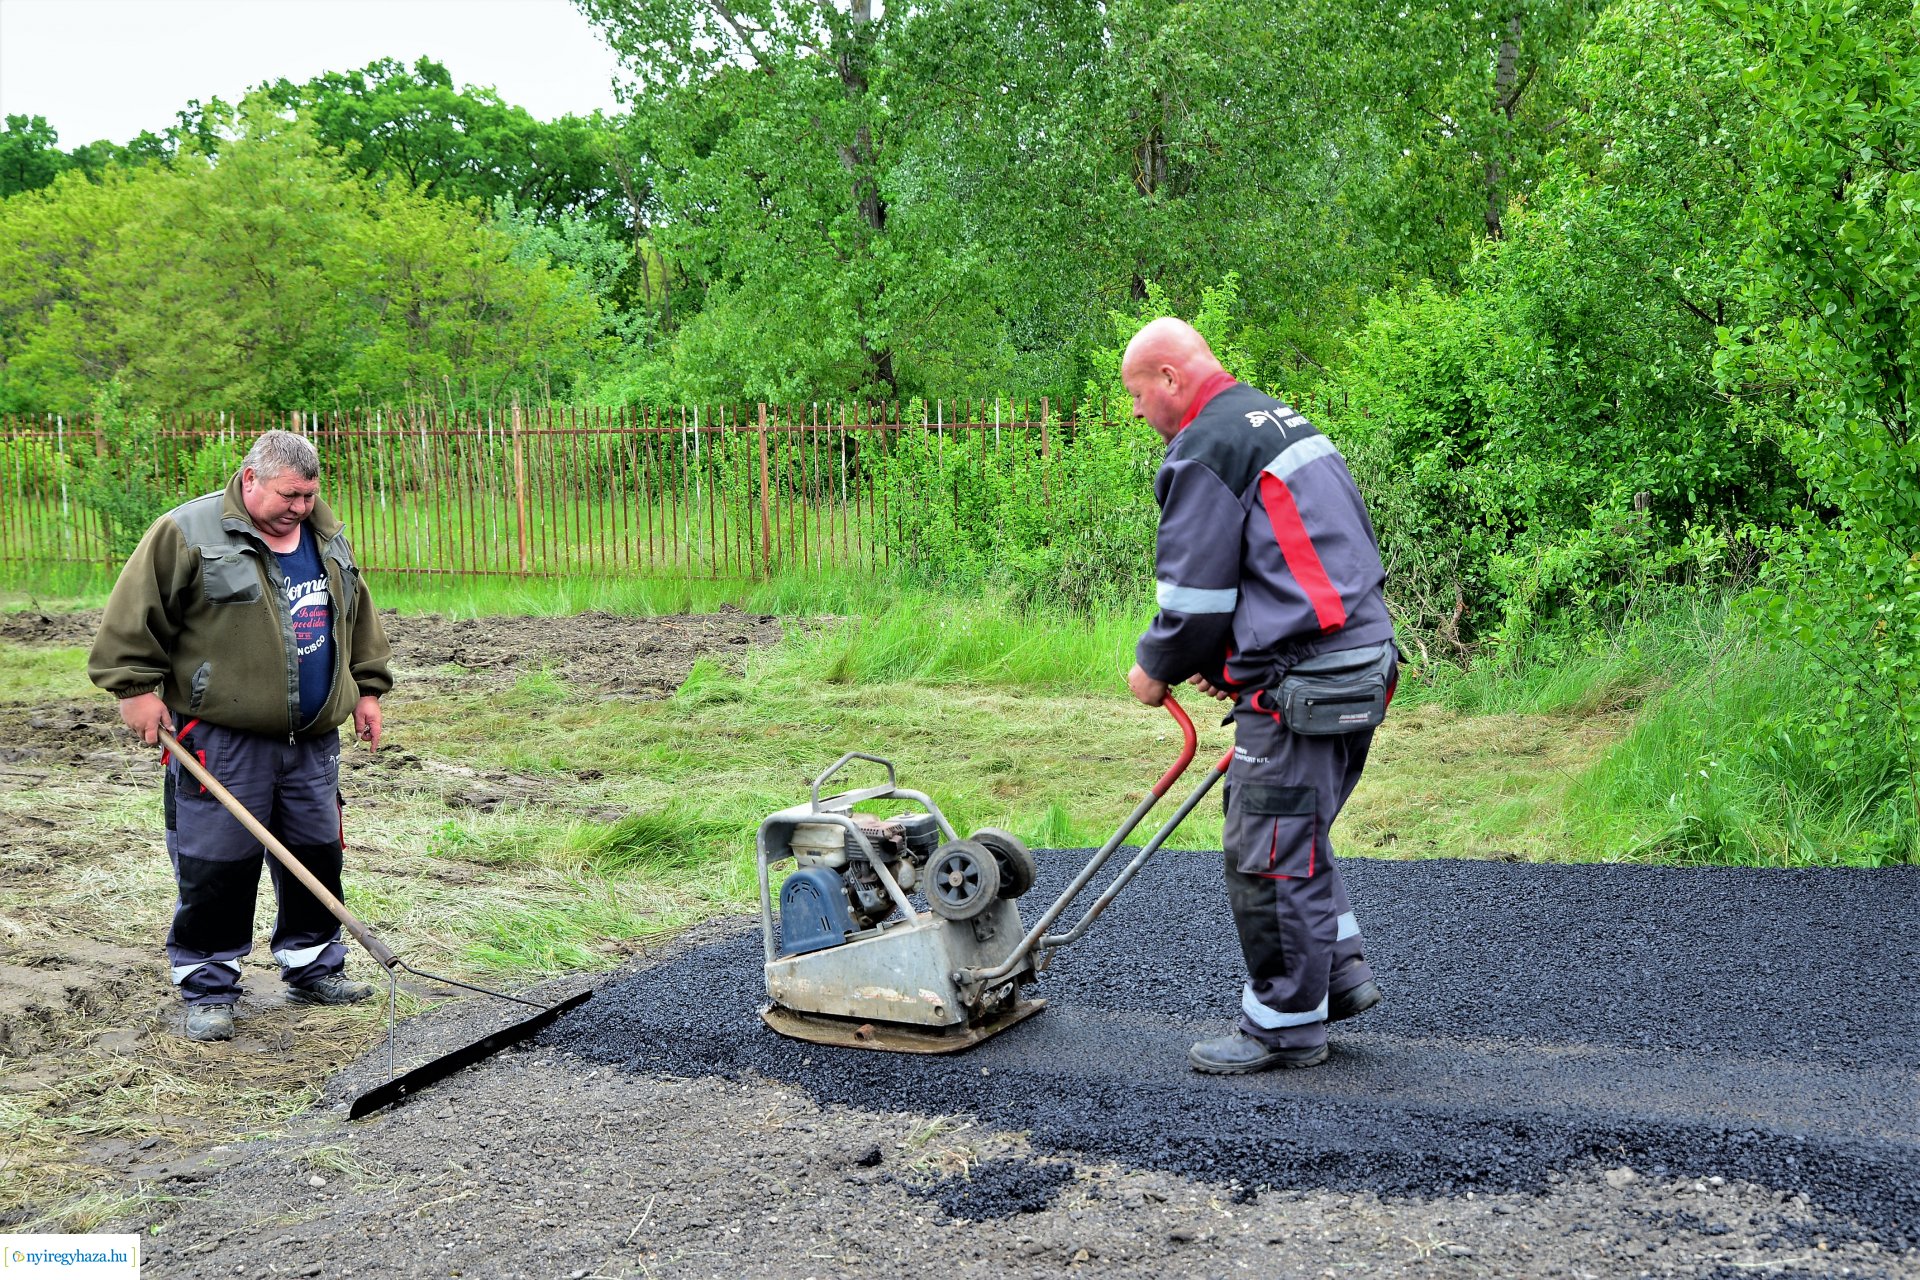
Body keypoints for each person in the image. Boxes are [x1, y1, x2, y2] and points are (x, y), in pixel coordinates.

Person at [1122, 317, 1395, 1073]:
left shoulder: (1208, 445)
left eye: (1138, 395)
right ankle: (1337, 977)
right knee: (1297, 834)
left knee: (1266, 851)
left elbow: (1194, 601)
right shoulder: (1274, 417)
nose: (1138, 413)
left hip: (1306, 676)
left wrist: (1156, 667)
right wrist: (1238, 656)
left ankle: (1282, 1025)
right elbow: (1296, 555)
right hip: (1361, 655)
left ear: (1171, 378)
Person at [88, 429, 394, 1042]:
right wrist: (135, 691)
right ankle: (208, 985)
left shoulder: (327, 537)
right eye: (289, 495)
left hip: (311, 737)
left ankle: (312, 966)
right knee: (216, 863)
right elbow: (133, 616)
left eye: (309, 495)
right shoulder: (187, 533)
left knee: (315, 852)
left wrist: (367, 687)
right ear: (250, 479)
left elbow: (354, 615)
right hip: (222, 737)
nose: (301, 507)